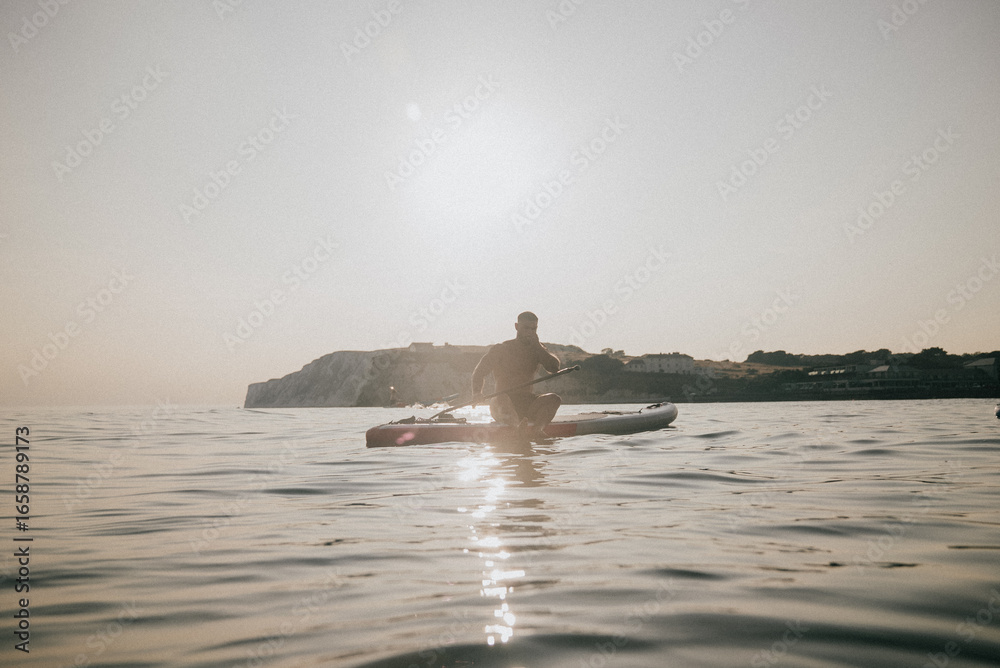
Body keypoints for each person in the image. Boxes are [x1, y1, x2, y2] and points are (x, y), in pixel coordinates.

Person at [471, 311, 562, 439]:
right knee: (502, 397)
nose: (530, 332)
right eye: (526, 328)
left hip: (528, 403)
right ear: (516, 327)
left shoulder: (538, 350)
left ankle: (537, 429)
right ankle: (516, 429)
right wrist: (476, 393)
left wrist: (538, 346)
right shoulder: (501, 349)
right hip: (502, 403)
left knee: (554, 399)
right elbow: (479, 372)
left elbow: (554, 368)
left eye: (533, 329)